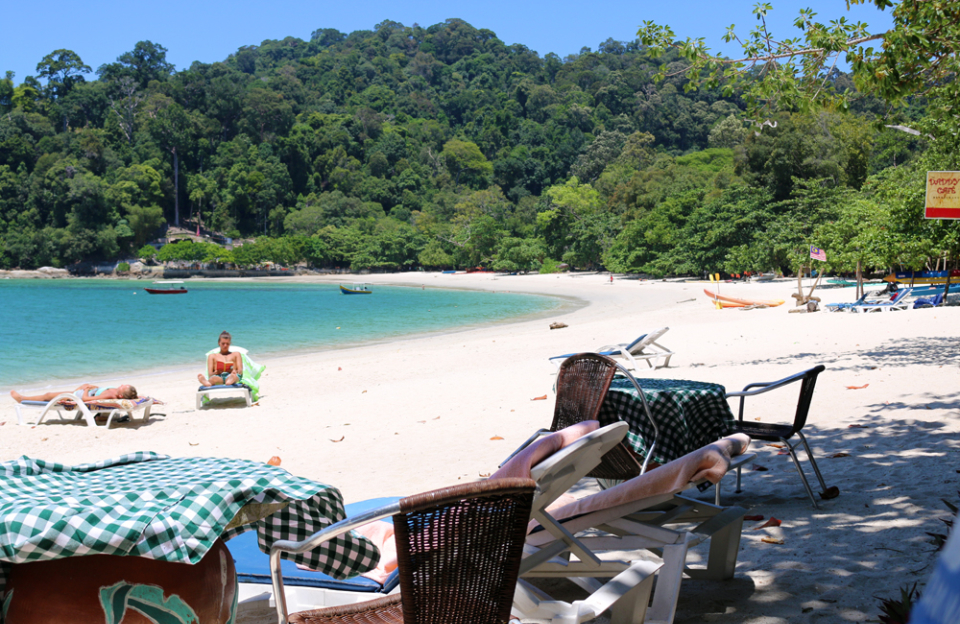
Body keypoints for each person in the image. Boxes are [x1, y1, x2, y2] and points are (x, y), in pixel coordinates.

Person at [11, 383, 137, 403]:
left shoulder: (110, 395)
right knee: (49, 395)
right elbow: (100, 390)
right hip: (82, 392)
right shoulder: (115, 392)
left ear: (120, 395)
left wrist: (86, 389)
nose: (121, 385)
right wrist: (93, 386)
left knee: (48, 396)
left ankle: (22, 399)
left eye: (122, 387)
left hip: (78, 396)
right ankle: (23, 398)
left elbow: (86, 399)